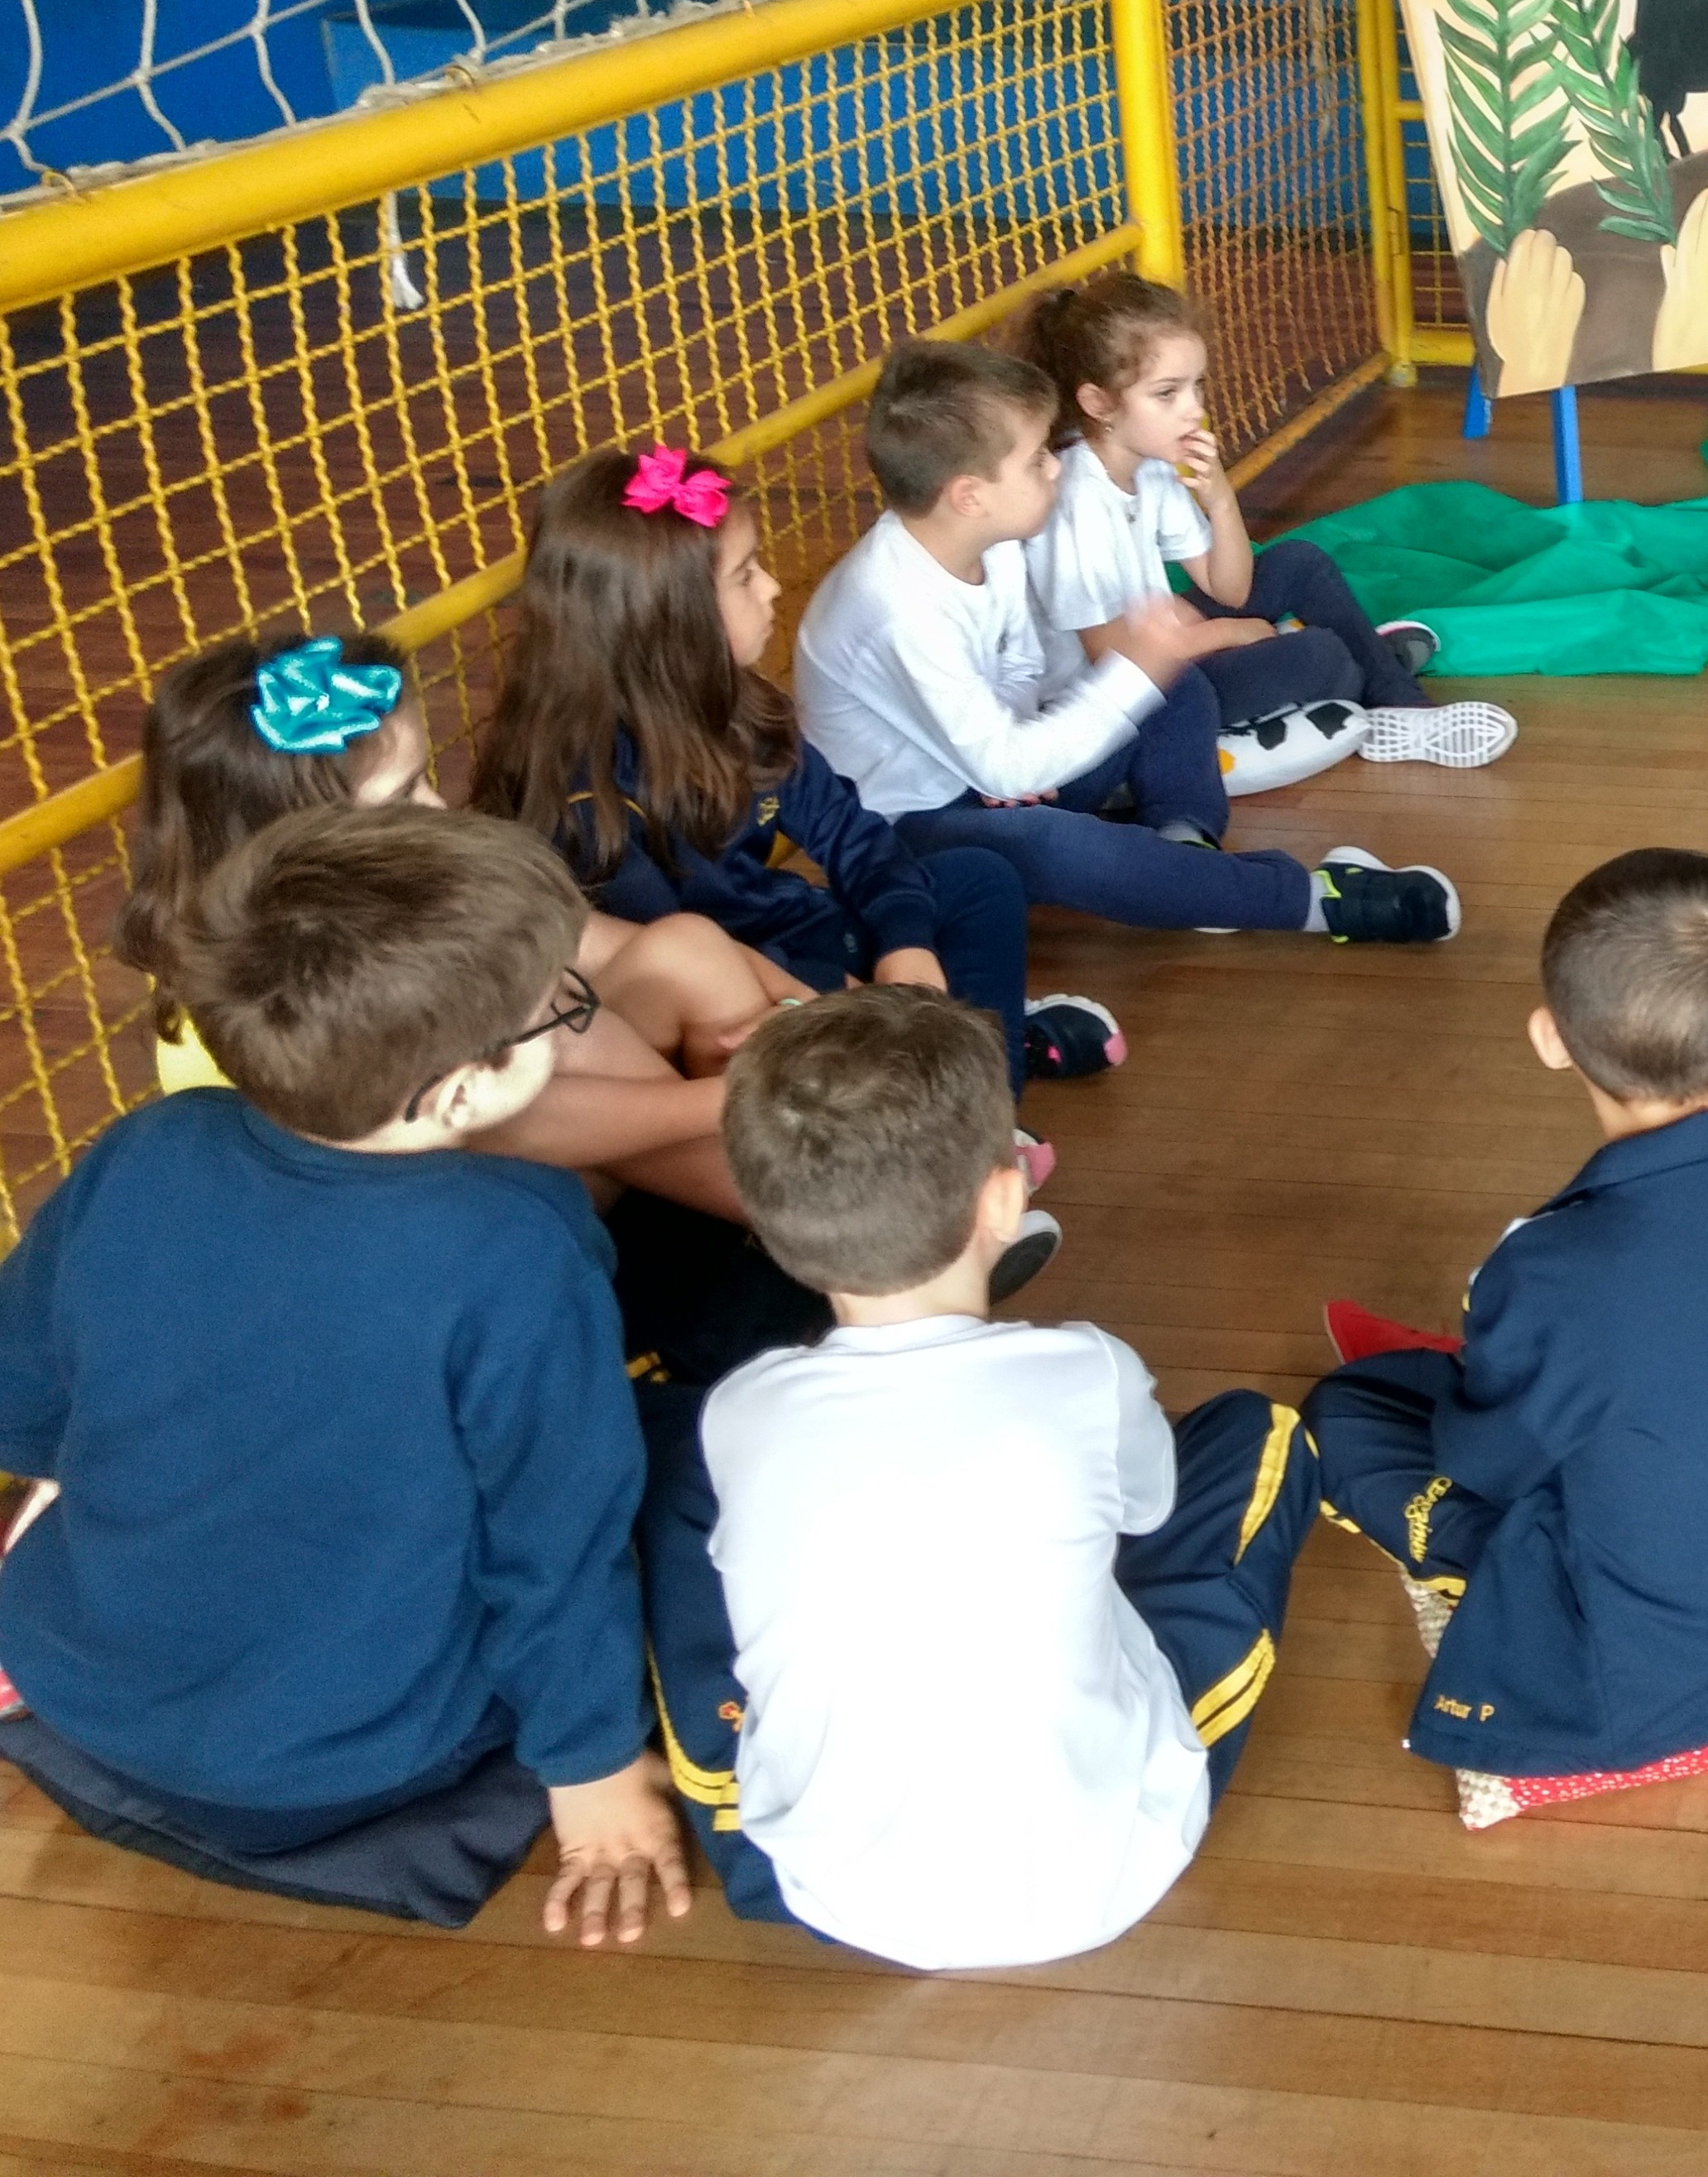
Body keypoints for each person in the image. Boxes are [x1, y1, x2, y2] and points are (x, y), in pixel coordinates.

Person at [0, 804, 685, 1944]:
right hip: (347, 1769)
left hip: (84, 1693)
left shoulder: (146, 1145)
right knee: (668, 1456)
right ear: (459, 1091)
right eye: (559, 1012)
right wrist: (591, 1769)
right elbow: (557, 1540)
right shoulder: (520, 1242)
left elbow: (25, 1400)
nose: (573, 1019)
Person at [631, 989, 1317, 1968]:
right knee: (1261, 1432)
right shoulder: (1088, 1370)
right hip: (1103, 1873)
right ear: (1004, 1199)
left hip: (818, 1887)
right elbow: (1148, 1510)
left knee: (686, 1496)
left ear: (769, 1225)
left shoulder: (742, 1407)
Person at [1303, 851, 1708, 1776]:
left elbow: (1487, 1464)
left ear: (1550, 1037)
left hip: (1639, 1678)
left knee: (1348, 1411)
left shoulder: (1542, 1265)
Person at [470, 442, 1111, 1260]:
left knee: (975, 879)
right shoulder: (588, 798)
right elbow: (691, 970)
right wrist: (847, 999)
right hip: (733, 1013)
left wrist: (906, 948)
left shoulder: (738, 707)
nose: (773, 587)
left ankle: (978, 1103)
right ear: (666, 622)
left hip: (800, 947)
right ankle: (963, 1139)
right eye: (745, 576)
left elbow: (854, 837)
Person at [793, 338, 1460, 944]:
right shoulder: (897, 608)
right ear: (969, 495)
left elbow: (1020, 668)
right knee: (1060, 845)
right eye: (1036, 461)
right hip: (906, 827)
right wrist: (1038, 751)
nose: (1056, 470)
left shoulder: (992, 541)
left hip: (1003, 779)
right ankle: (1316, 900)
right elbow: (1006, 765)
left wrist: (1031, 755)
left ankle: (1184, 843)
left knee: (1169, 690)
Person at [122, 623, 785, 1220]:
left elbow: (608, 946)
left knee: (684, 948)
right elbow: (484, 1116)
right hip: (420, 1204)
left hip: (538, 1124)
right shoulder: (275, 981)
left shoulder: (413, 884)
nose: (440, 809)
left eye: (425, 777)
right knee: (566, 1036)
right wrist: (728, 1096)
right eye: (401, 798)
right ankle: (787, 1199)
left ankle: (791, 1151)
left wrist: (804, 1020)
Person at [1020, 267, 1514, 783]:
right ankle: (1364, 665)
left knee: (1300, 561)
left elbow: (1232, 589)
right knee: (1323, 657)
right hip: (1124, 696)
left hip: (1166, 646)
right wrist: (1230, 632)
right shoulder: (1076, 499)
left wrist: (1219, 497)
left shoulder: (1152, 465)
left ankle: (1400, 703)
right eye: (1167, 394)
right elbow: (1114, 658)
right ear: (1098, 403)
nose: (1194, 411)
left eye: (1196, 387)